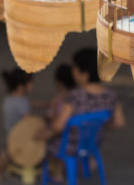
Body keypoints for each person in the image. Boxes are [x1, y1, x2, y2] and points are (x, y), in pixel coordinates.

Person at [36, 48, 125, 182]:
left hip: (70, 146)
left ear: (84, 73)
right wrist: (98, 124)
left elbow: (57, 127)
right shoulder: (111, 95)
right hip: (92, 143)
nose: (73, 71)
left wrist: (43, 134)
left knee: (47, 138)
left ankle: (57, 176)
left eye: (75, 68)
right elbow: (119, 123)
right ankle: (85, 166)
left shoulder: (74, 97)